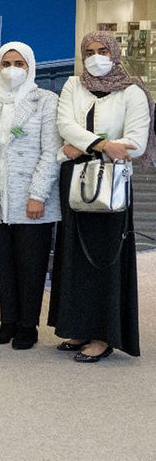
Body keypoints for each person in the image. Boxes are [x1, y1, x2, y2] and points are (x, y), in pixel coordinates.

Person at [49, 31, 152, 363]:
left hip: (112, 184)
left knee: (104, 257)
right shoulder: (72, 85)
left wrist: (91, 145)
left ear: (115, 53)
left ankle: (102, 335)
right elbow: (65, 124)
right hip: (76, 180)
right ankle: (78, 326)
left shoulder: (133, 92)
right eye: (89, 51)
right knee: (74, 256)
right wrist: (105, 143)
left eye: (102, 50)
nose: (96, 57)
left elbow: (134, 140)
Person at [0, 41, 61, 350]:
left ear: (30, 66)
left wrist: (37, 194)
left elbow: (51, 153)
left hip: (33, 202)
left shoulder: (46, 100)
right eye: (6, 63)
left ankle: (28, 325)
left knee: (31, 266)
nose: (12, 69)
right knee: (4, 263)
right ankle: (7, 321)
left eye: (19, 63)